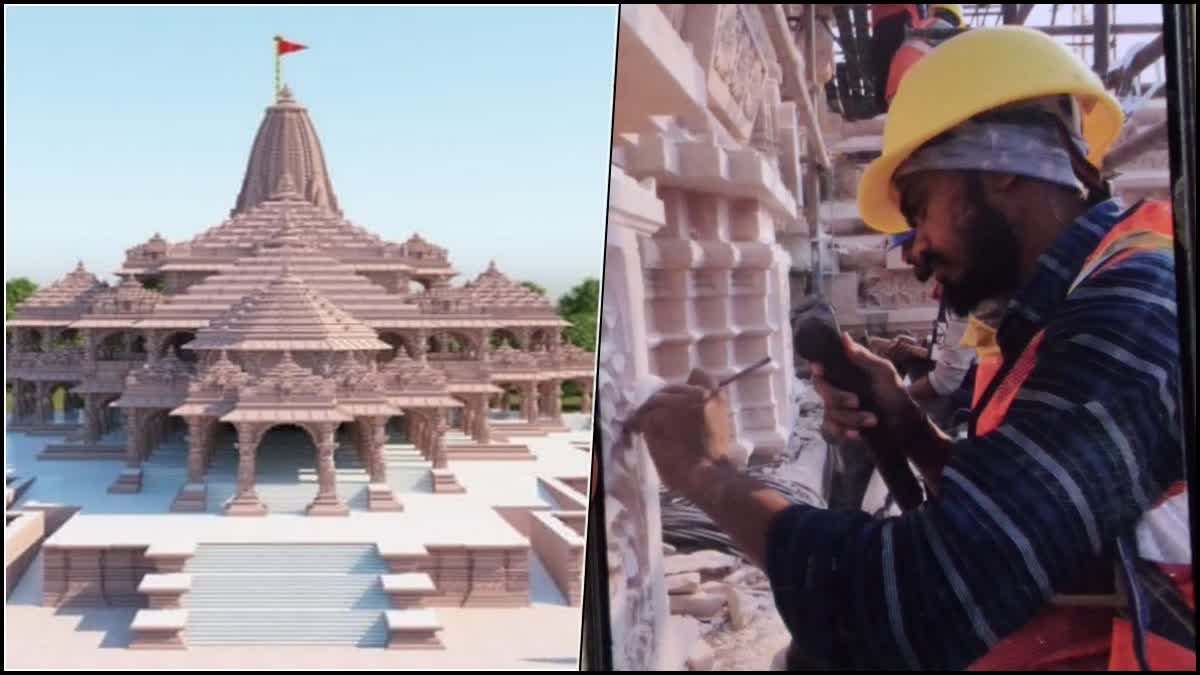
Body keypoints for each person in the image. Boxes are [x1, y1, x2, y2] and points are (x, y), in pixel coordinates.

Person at [627, 27, 1191, 670]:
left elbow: (929, 598)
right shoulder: (1079, 297)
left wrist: (705, 475)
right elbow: (1038, 517)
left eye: (920, 209)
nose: (916, 253)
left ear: (1001, 167)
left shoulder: (1136, 311)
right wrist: (912, 433)